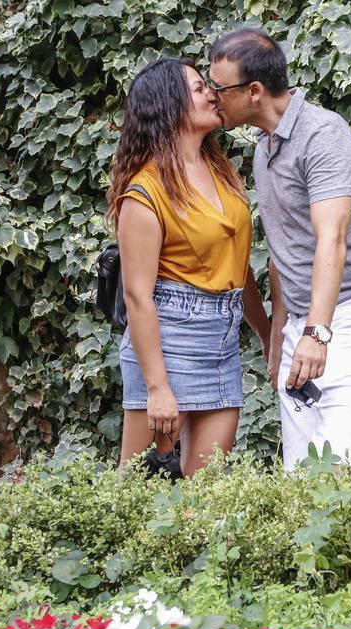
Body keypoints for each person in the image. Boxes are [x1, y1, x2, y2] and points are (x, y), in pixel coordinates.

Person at [207, 29, 351, 470]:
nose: (213, 97)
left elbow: (333, 238)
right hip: (303, 326)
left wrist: (317, 334)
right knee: (299, 474)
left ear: (254, 91)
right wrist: (279, 335)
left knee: (334, 466)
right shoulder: (264, 148)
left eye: (219, 88)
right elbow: (283, 251)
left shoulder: (323, 135)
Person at [106, 57, 270, 476]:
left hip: (222, 341)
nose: (212, 94)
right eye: (199, 89)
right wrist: (158, 389)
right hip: (168, 340)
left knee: (206, 497)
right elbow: (138, 297)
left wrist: (266, 335)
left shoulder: (221, 171)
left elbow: (237, 265)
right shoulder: (145, 192)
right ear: (170, 106)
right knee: (135, 493)